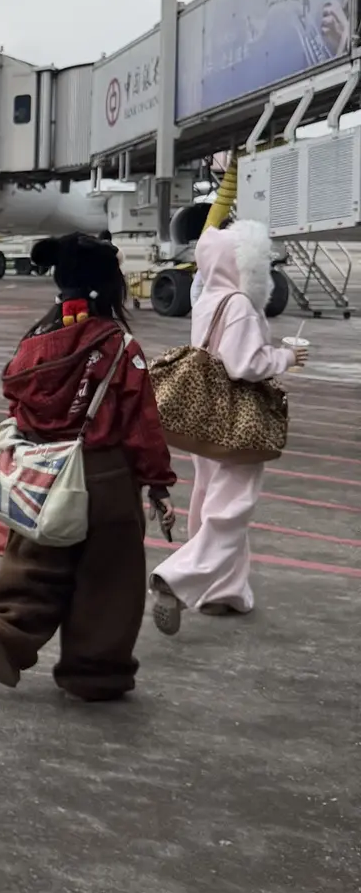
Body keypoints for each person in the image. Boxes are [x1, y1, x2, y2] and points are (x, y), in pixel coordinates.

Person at [0, 233, 175, 702]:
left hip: (42, 475)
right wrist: (158, 483)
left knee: (33, 564)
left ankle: (6, 630)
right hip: (105, 478)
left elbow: (18, 406)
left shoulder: (33, 344)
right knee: (109, 580)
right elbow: (141, 425)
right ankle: (93, 672)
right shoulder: (120, 346)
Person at [150, 221, 305, 631]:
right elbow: (245, 365)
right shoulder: (239, 305)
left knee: (208, 498)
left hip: (208, 416)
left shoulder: (209, 299)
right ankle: (178, 577)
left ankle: (225, 592)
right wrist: (286, 357)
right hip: (239, 420)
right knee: (232, 509)